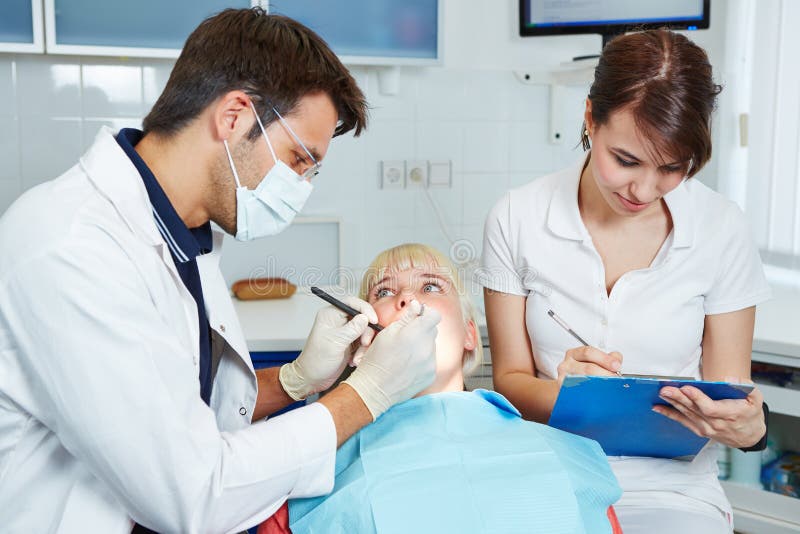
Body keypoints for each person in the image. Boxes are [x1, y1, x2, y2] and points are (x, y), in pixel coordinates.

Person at [0, 9, 441, 533]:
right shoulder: (70, 246)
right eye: (300, 160)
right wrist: (366, 394)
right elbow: (191, 494)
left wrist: (298, 380)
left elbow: (189, 412)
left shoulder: (184, 232)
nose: (303, 186)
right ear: (234, 117)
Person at [479, 29, 772, 534]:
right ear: (590, 118)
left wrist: (749, 430)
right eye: (626, 161)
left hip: (672, 488)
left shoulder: (721, 227)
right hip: (547, 471)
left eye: (672, 168)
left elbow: (730, 393)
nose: (643, 189)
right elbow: (508, 381)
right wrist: (567, 395)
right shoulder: (517, 216)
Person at [259, 244, 623, 534]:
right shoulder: (308, 481)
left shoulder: (563, 457)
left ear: (469, 334)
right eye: (385, 292)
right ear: (362, 338)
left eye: (430, 286)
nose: (407, 300)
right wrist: (295, 378)